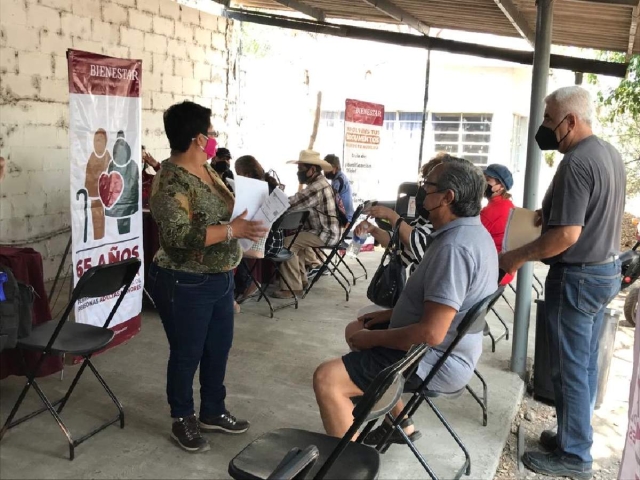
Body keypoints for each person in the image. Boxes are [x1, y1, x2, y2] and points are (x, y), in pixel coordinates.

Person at [313, 157, 498, 443]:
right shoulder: (472, 233)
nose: (422, 192)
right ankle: (401, 423)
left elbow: (431, 333)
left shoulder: (454, 248)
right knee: (356, 328)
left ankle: (345, 464)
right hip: (445, 349)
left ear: (447, 198)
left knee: (327, 379)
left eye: (428, 186)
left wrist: (372, 339)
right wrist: (388, 318)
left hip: (434, 359)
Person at [499, 86, 625, 479]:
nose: (544, 127)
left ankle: (574, 456)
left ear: (571, 121)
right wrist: (546, 211)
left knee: (567, 368)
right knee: (583, 364)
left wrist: (517, 256)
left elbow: (567, 236)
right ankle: (575, 435)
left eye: (549, 119)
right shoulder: (608, 154)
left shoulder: (576, 164)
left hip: (577, 276)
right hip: (604, 270)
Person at [148, 101, 269, 453]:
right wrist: (232, 231)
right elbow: (177, 237)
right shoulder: (170, 181)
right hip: (184, 280)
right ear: (198, 138)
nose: (215, 139)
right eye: (212, 133)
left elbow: (226, 208)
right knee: (187, 353)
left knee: (218, 349)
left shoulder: (208, 170)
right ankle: (182, 417)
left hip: (219, 277)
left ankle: (212, 411)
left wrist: (255, 209)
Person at [354, 152, 454, 276]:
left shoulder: (447, 225)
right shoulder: (426, 218)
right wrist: (373, 230)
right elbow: (399, 242)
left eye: (428, 186)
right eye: (423, 184)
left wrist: (391, 216)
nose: (422, 191)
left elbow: (417, 243)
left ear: (447, 195)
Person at [272, 150, 341, 299]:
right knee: (298, 242)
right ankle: (301, 281)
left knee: (287, 244)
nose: (298, 173)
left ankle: (292, 288)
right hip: (322, 231)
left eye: (301, 169)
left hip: (325, 234)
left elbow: (290, 203)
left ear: (312, 170)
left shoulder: (317, 187)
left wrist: (272, 200)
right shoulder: (319, 183)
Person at [233, 155, 285, 304]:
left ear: (247, 174)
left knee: (231, 243)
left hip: (265, 243)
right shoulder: (270, 186)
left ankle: (247, 283)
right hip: (277, 241)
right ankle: (243, 284)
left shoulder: (256, 190)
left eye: (238, 174)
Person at [480, 163, 516, 285]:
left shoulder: (491, 211)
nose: (483, 183)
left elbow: (468, 237)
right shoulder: (508, 205)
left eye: (487, 180)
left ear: (500, 187)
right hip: (504, 270)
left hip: (491, 270)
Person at [324, 154, 355, 223]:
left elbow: (329, 201)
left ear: (335, 168)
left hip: (345, 219)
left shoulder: (338, 181)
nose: (325, 172)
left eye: (327, 169)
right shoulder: (340, 177)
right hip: (347, 216)